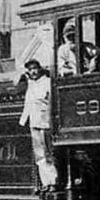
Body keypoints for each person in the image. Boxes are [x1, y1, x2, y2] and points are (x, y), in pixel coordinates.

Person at [19, 59, 58, 192]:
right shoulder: (31, 85)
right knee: (39, 155)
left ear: (39, 69)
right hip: (34, 122)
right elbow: (28, 104)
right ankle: (46, 183)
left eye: (35, 68)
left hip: (45, 122)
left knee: (48, 153)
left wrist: (51, 120)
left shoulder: (47, 82)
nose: (33, 71)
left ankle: (53, 181)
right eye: (30, 69)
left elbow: (51, 102)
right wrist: (23, 121)